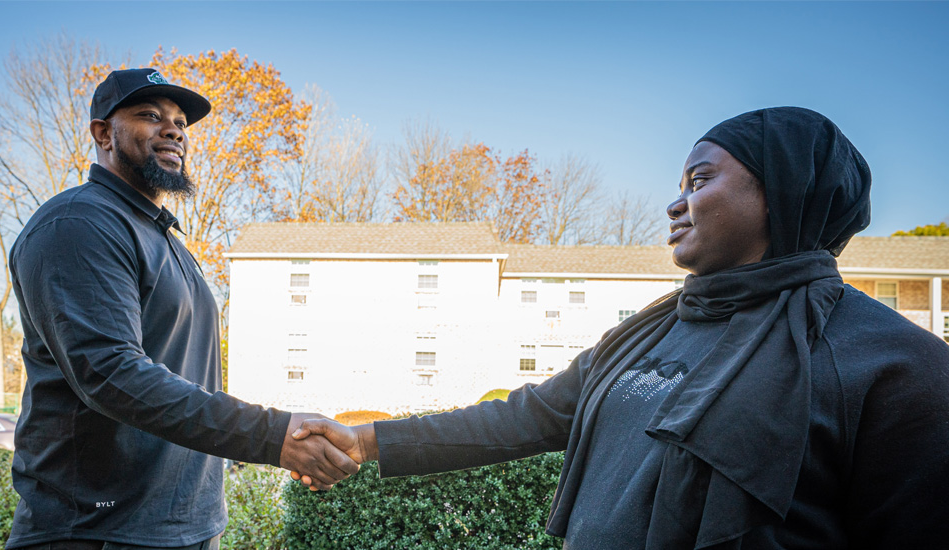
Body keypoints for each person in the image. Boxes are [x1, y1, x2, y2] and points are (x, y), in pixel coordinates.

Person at [293, 107, 949, 548]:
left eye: (699, 179)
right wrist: (362, 440)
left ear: (782, 189)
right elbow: (515, 419)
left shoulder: (894, 365)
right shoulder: (643, 336)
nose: (674, 202)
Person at [6, 68, 357, 550]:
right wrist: (274, 436)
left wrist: (282, 449)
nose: (174, 129)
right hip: (96, 532)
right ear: (103, 133)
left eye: (180, 122)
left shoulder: (164, 240)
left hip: (184, 527)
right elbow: (111, 374)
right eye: (151, 116)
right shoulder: (79, 224)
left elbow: (186, 379)